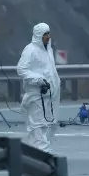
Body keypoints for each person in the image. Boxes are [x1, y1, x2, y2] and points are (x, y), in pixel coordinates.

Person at [17, 22, 61, 152]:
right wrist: (38, 80)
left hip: (49, 96)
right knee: (38, 126)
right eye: (45, 34)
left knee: (47, 126)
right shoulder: (30, 50)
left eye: (48, 33)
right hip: (36, 95)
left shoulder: (48, 50)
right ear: (38, 35)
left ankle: (35, 154)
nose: (48, 36)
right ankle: (43, 155)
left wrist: (55, 85)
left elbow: (51, 71)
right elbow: (21, 69)